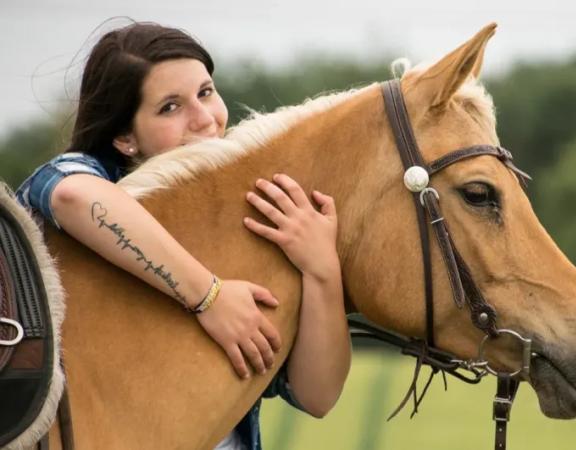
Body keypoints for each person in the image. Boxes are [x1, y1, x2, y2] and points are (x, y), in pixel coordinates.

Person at [15, 21, 351, 450]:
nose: (204, 120)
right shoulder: (85, 178)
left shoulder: (251, 219)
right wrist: (209, 296)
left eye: (206, 92)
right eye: (170, 107)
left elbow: (316, 395)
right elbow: (74, 197)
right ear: (124, 137)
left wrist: (322, 270)